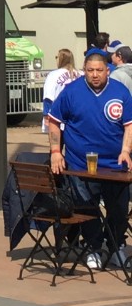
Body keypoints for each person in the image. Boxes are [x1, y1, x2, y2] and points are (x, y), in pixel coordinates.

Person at [48, 48, 132, 269]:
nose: (95, 75)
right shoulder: (71, 92)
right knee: (86, 208)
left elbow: (129, 125)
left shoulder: (121, 92)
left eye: (99, 70)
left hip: (115, 165)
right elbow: (54, 120)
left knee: (119, 209)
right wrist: (56, 151)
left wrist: (126, 150)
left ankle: (115, 247)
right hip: (80, 164)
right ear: (83, 70)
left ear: (108, 70)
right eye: (90, 70)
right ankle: (94, 248)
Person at [41, 47, 81, 132]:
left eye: (57, 57)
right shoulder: (80, 74)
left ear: (61, 59)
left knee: (57, 144)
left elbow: (48, 97)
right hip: (77, 117)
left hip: (58, 117)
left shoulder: (53, 75)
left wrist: (46, 114)